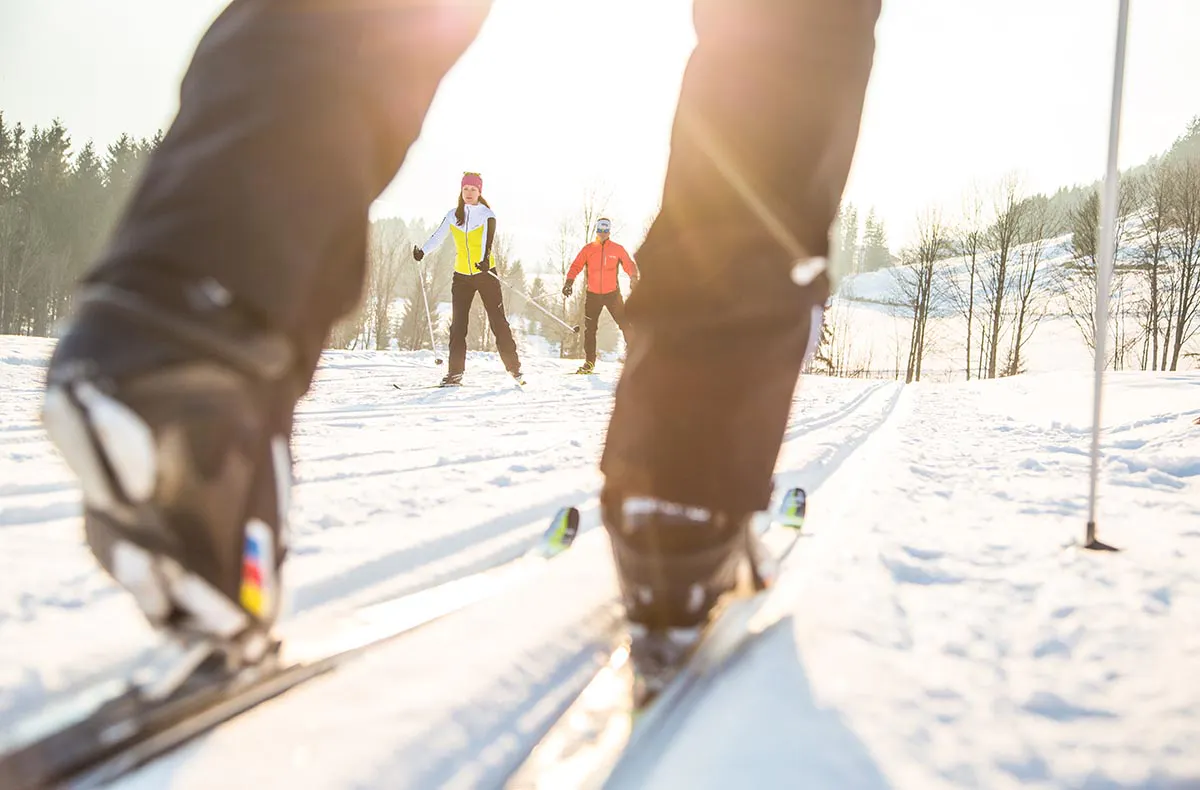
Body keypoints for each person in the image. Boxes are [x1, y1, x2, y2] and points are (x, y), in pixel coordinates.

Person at [38, 0, 880, 671]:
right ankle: (687, 471)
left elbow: (599, 255)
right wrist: (463, 257)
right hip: (482, 279)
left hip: (492, 280)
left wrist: (586, 271)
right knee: (782, 21)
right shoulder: (461, 212)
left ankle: (195, 316)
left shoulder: (494, 213)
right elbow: (454, 235)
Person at [412, 172, 523, 386]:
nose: (469, 193)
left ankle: (514, 368)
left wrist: (484, 260)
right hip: (461, 276)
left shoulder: (487, 215)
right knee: (458, 325)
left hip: (485, 274)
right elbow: (438, 236)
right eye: (465, 189)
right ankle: (455, 373)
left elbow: (487, 243)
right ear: (461, 191)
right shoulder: (453, 215)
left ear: (480, 192)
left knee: (497, 321)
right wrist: (423, 251)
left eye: (473, 189)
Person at [562, 217, 638, 374]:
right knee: (590, 329)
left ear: (609, 231)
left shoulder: (617, 249)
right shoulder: (588, 249)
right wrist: (569, 282)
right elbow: (576, 265)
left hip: (612, 295)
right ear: (597, 231)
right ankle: (589, 362)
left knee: (624, 324)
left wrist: (633, 277)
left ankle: (636, 358)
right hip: (593, 295)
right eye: (600, 230)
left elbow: (629, 264)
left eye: (605, 230)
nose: (603, 233)